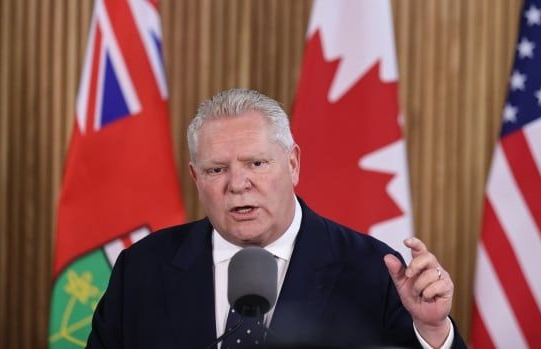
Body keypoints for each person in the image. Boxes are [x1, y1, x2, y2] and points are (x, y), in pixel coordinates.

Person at [86, 89, 466, 349]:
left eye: (256, 163)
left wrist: (432, 332)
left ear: (293, 163)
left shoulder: (373, 270)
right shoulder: (141, 269)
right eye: (217, 169)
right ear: (195, 177)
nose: (238, 184)